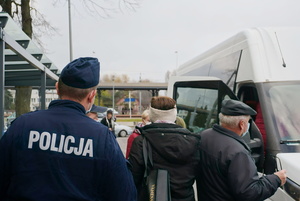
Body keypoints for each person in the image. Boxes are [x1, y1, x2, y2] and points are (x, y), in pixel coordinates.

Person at [0, 57, 137, 201]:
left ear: (57, 87)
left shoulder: (22, 125)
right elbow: (125, 194)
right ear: (91, 96)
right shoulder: (102, 138)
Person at [197, 99, 287, 201]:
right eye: (248, 122)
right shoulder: (237, 152)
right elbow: (249, 193)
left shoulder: (204, 135)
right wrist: (275, 179)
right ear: (242, 124)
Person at [129, 96, 200, 201]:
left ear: (152, 114)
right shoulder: (193, 141)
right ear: (174, 115)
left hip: (151, 197)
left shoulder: (141, 141)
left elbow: (133, 178)